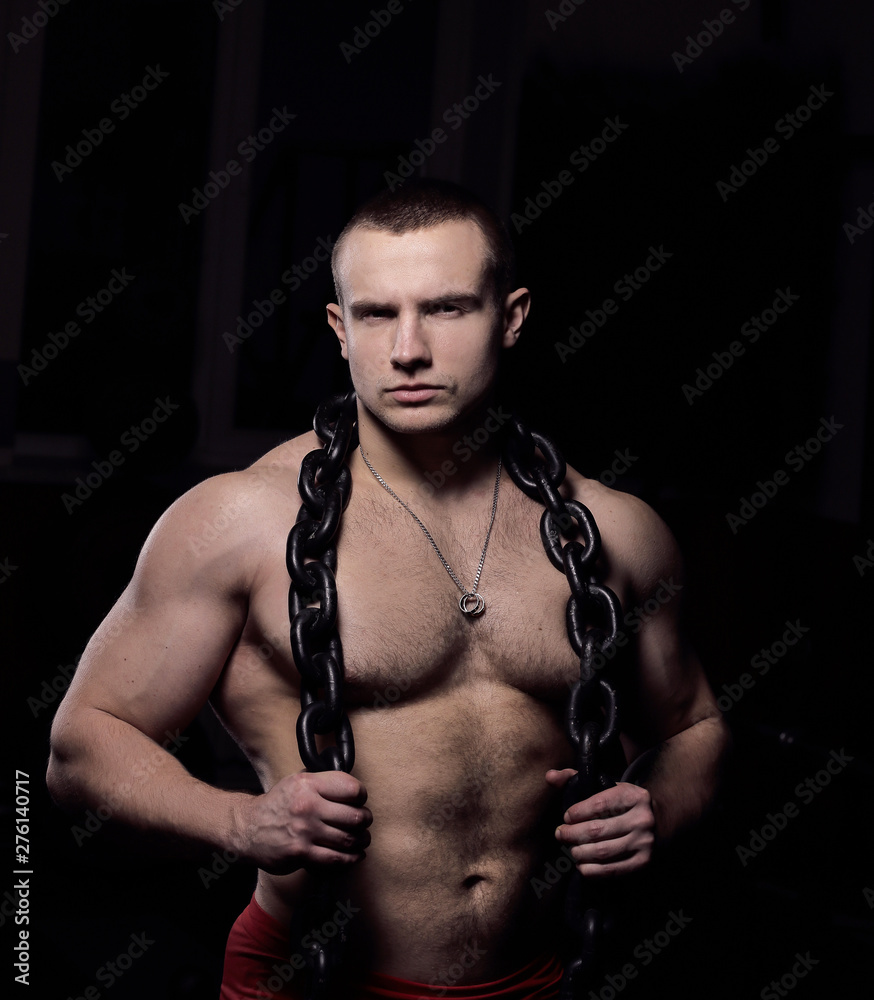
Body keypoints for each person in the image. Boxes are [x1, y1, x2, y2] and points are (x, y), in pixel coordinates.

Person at [47, 180, 730, 1000]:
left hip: (537, 978)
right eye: (375, 315)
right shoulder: (236, 523)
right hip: (308, 976)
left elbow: (694, 724)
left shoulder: (616, 532)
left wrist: (656, 804)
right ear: (340, 329)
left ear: (510, 318)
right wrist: (238, 819)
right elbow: (80, 747)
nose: (407, 348)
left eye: (445, 309)